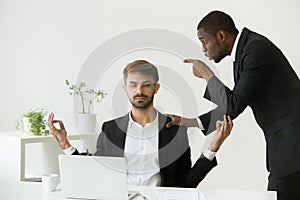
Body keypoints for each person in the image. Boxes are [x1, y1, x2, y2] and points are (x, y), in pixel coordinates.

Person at [166, 10, 300, 200]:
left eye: (204, 41)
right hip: (288, 147)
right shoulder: (248, 50)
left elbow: (232, 105)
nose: (203, 49)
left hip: (292, 146)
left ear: (221, 36)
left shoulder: (256, 50)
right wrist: (189, 121)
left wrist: (207, 74)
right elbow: (235, 104)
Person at [48, 60, 233, 188]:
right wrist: (65, 144)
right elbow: (97, 172)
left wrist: (213, 147)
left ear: (156, 88)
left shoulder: (175, 130)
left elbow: (186, 183)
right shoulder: (111, 129)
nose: (139, 91)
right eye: (133, 85)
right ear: (125, 88)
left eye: (146, 85)